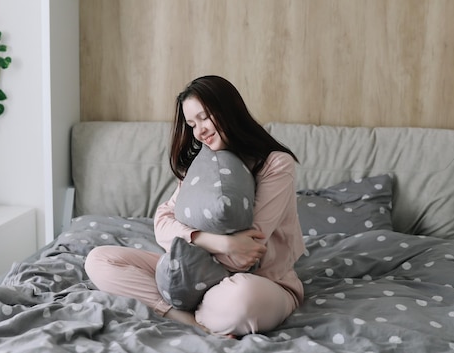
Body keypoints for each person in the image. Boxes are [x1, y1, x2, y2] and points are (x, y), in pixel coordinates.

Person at [84, 75, 305, 336]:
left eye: (204, 117)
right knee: (98, 260)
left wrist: (220, 247)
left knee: (243, 297)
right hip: (190, 273)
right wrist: (217, 242)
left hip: (260, 281)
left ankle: (194, 309)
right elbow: (162, 222)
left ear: (229, 111)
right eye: (191, 124)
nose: (199, 131)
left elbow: (244, 256)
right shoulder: (201, 166)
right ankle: (188, 319)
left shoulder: (275, 165)